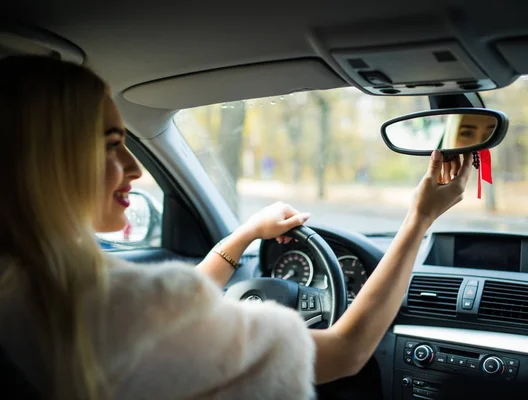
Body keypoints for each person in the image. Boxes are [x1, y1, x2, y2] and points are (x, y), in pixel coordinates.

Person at [0, 56, 472, 400]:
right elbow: (344, 352)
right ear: (48, 161)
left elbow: (161, 323)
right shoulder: (103, 305)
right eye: (111, 145)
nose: (134, 167)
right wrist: (420, 218)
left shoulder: (25, 288)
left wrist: (245, 235)